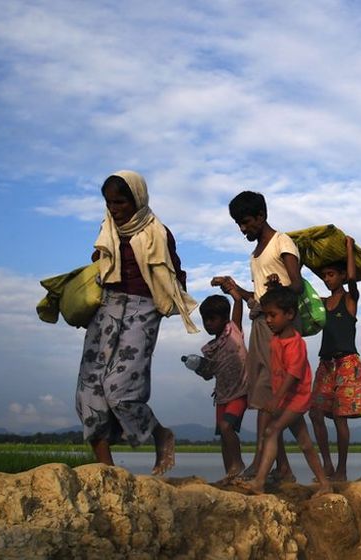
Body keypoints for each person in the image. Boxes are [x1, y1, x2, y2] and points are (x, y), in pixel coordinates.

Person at [76, 170, 197, 474]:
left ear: (138, 200)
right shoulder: (107, 230)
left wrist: (169, 298)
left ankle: (161, 435)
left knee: (120, 388)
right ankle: (108, 471)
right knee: (89, 392)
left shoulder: (158, 233)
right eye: (109, 203)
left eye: (120, 202)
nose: (114, 209)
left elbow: (175, 275)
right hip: (107, 308)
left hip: (143, 310)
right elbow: (101, 265)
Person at [216, 191, 302, 483]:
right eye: (239, 224)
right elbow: (259, 297)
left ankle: (258, 464)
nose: (243, 229)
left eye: (246, 222)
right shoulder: (255, 254)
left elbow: (297, 285)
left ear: (261, 216)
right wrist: (234, 288)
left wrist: (281, 288)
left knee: (270, 394)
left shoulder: (282, 242)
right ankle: (284, 469)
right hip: (261, 324)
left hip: (280, 329)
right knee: (265, 395)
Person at [238, 287, 331, 496]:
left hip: (296, 398)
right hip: (286, 397)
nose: (268, 320)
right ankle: (325, 483)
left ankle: (259, 482)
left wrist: (275, 400)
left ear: (289, 315)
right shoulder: (275, 341)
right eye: (266, 315)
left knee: (272, 431)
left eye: (273, 315)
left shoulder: (295, 344)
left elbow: (292, 375)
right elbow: (276, 373)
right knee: (305, 443)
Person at [310, 236, 361, 481]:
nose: (327, 279)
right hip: (326, 363)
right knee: (315, 413)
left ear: (342, 276)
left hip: (347, 362)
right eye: (324, 276)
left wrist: (348, 248)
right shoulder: (323, 303)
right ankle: (326, 464)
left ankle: (342, 469)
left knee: (339, 417)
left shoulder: (349, 299)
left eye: (332, 275)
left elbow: (354, 281)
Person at [194, 293, 249, 482]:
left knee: (227, 427)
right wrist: (200, 369)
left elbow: (239, 303)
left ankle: (238, 464)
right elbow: (209, 374)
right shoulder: (210, 349)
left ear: (225, 319)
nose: (208, 323)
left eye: (212, 319)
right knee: (224, 436)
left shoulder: (233, 330)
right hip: (222, 395)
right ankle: (231, 474)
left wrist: (234, 293)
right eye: (205, 320)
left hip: (240, 391)